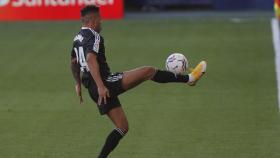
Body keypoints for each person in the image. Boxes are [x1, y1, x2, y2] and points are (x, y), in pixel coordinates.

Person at [70, 5, 207, 158]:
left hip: (93, 89)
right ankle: (190, 78)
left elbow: (74, 61)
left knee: (122, 127)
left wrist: (77, 83)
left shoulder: (77, 38)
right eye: (100, 19)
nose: (102, 21)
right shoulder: (94, 36)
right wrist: (102, 86)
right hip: (104, 84)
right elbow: (90, 59)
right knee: (148, 71)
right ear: (93, 21)